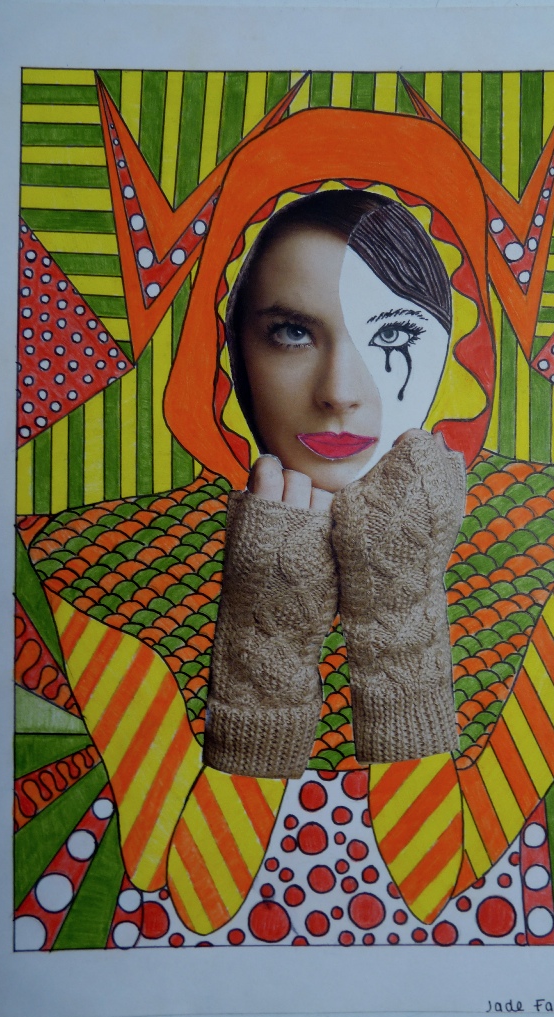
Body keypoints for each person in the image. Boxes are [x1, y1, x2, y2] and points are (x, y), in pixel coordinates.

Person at [202, 190, 467, 779]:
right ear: (238, 349)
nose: (340, 392)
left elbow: (434, 794)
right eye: (293, 333)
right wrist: (262, 639)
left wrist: (403, 601)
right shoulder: (111, 551)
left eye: (392, 336)